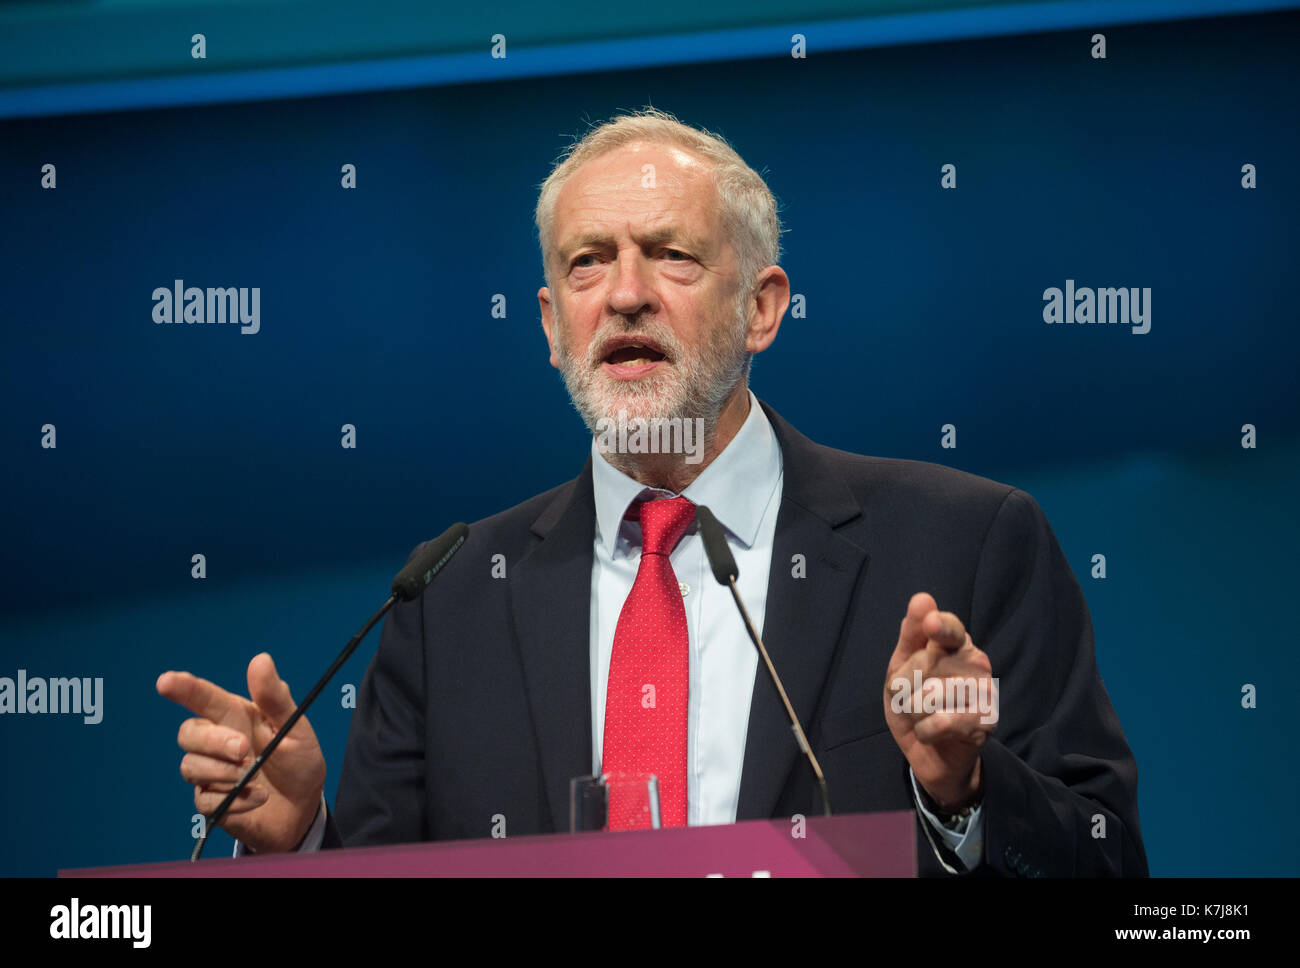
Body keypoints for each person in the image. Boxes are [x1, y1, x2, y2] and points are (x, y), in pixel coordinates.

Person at [157, 107, 1147, 876]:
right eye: (588, 262)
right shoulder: (446, 598)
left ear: (761, 308)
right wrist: (299, 841)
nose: (624, 292)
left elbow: (1112, 870)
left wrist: (963, 786)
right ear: (552, 325)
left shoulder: (963, 542)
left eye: (670, 254)